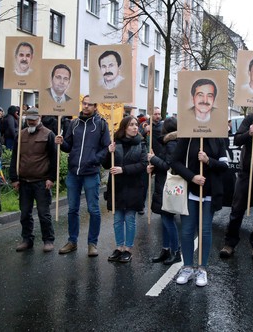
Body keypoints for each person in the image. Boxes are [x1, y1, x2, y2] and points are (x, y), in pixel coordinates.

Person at [56, 95, 111, 256]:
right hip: (74, 173)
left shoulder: (101, 124)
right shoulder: (73, 123)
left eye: (90, 104)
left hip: (91, 173)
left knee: (93, 209)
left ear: (95, 106)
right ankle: (72, 241)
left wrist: (95, 160)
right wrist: (61, 143)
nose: (86, 106)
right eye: (84, 103)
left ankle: (92, 243)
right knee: (72, 209)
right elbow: (68, 147)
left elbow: (106, 147)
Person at [171, 136, 229, 287]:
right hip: (190, 192)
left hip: (210, 192)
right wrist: (192, 177)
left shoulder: (218, 138)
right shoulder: (187, 138)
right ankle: (187, 267)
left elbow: (224, 166)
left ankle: (202, 269)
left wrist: (208, 160)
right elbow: (175, 162)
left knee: (205, 231)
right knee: (187, 231)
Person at [220, 111, 253, 259]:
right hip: (246, 172)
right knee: (237, 209)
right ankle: (229, 243)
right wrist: (249, 133)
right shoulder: (250, 117)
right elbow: (237, 140)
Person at [9, 108, 58, 252]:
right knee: (25, 213)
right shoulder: (21, 135)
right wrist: (14, 178)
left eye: (33, 119)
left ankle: (48, 240)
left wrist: (51, 178)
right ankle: (27, 239)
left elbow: (53, 158)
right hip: (24, 181)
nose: (30, 122)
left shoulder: (48, 134)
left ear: (40, 118)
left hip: (41, 182)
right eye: (28, 119)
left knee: (44, 213)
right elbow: (14, 158)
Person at [103, 116, 148, 263]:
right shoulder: (115, 142)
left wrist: (123, 169)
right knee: (117, 219)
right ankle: (119, 247)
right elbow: (105, 165)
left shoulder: (141, 144)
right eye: (131, 125)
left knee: (129, 219)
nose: (135, 127)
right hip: (117, 186)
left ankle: (128, 249)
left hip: (134, 186)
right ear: (124, 128)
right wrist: (108, 152)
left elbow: (142, 165)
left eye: (136, 125)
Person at [148, 117, 181, 265]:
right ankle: (166, 249)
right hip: (164, 185)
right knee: (164, 219)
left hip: (168, 187)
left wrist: (153, 159)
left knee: (167, 219)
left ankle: (175, 251)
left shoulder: (172, 143)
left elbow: (169, 165)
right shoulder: (170, 142)